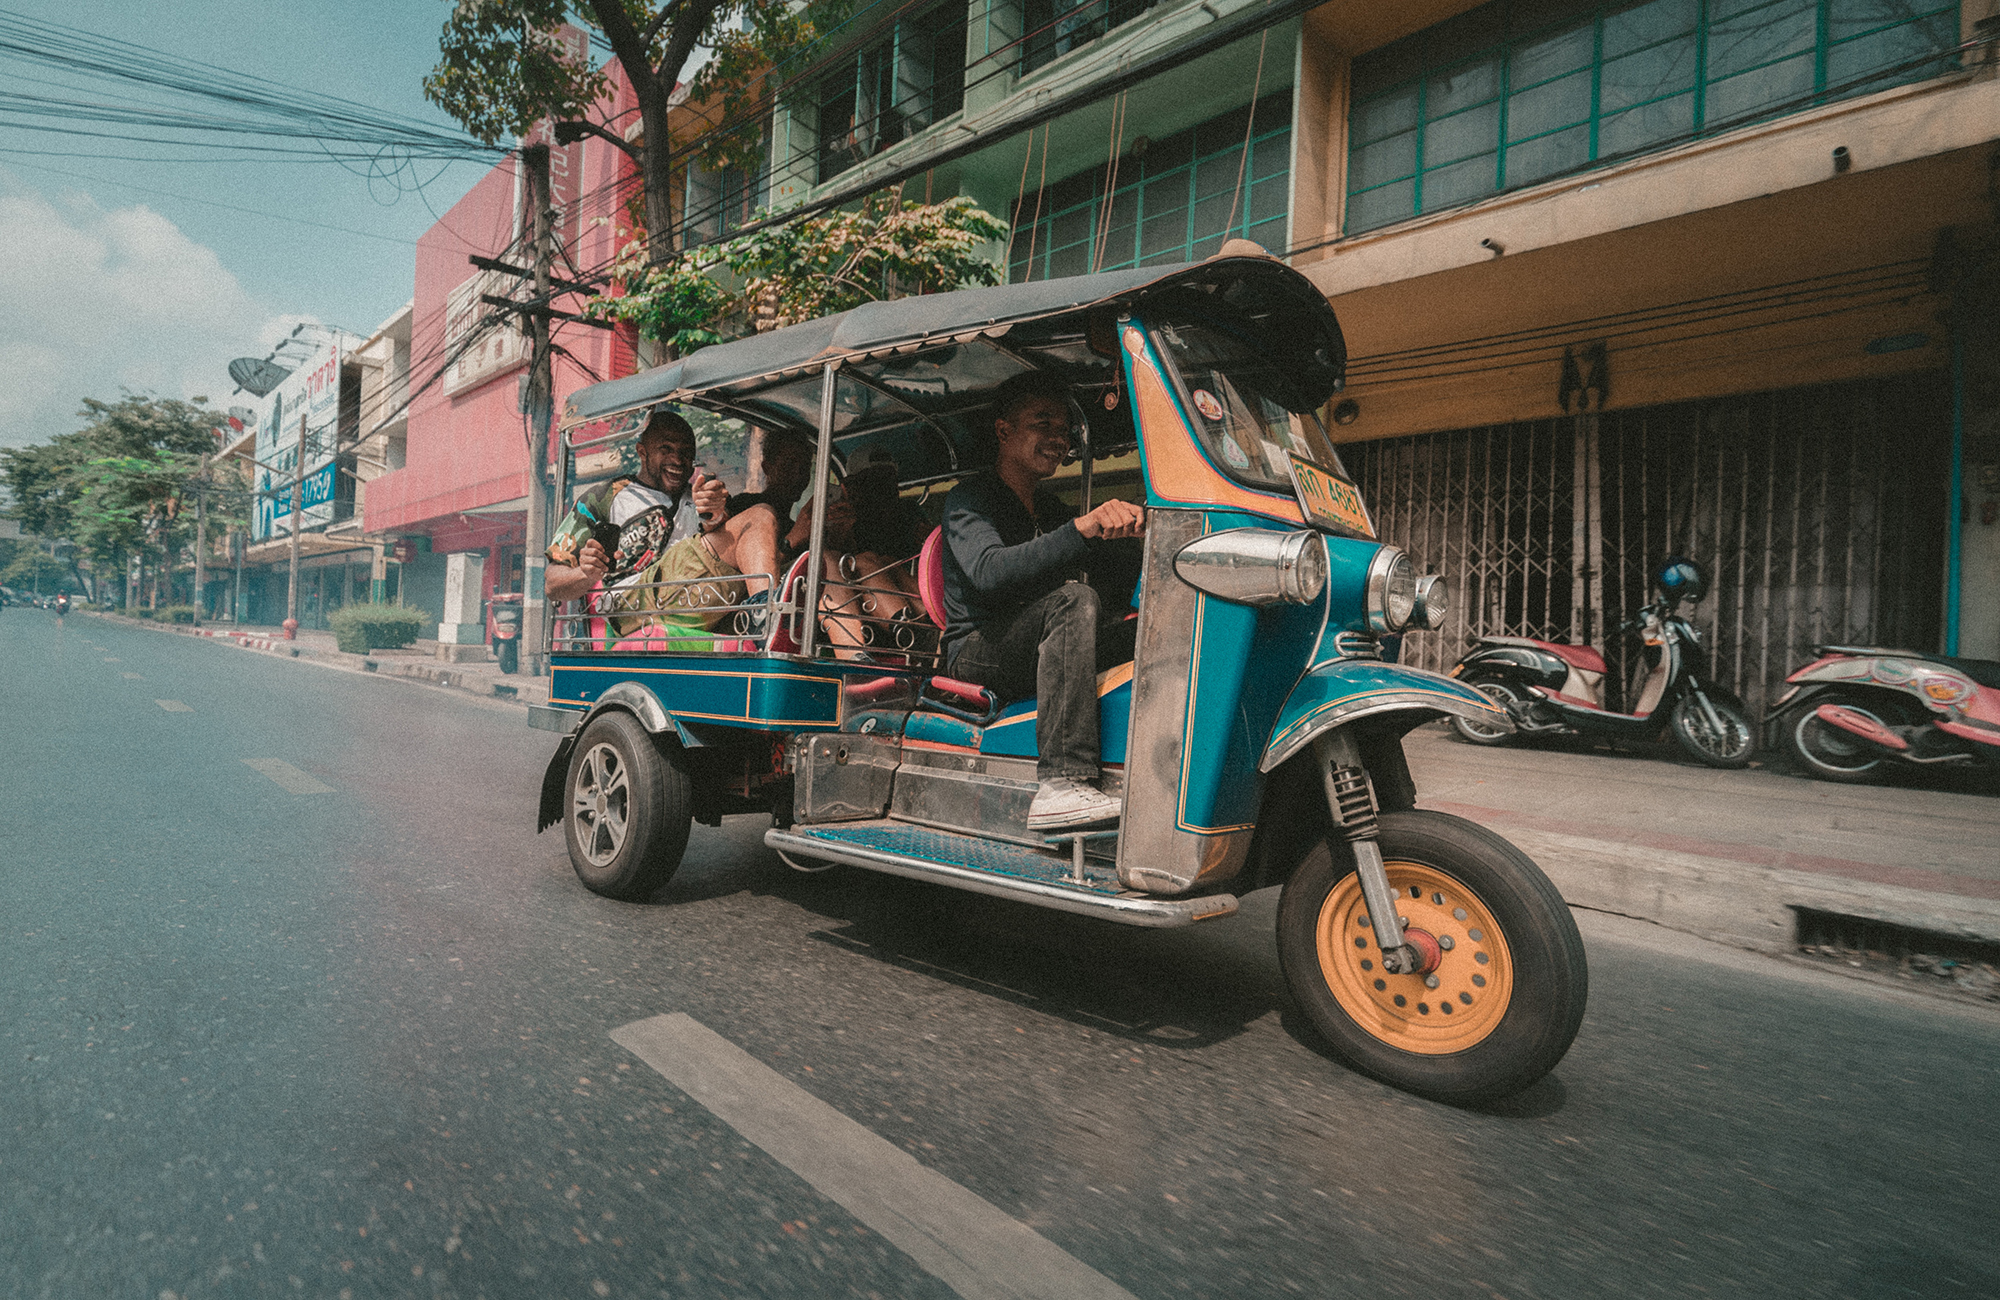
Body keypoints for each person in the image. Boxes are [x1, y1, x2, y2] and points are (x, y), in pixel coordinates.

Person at [942, 371, 1146, 830]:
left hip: (1041, 643)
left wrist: (1135, 535)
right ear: (1004, 431)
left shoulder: (1049, 508)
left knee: (1155, 623)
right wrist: (1081, 530)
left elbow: (1109, 574)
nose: (1059, 438)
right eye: (1043, 424)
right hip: (977, 649)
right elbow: (990, 574)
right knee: (1073, 600)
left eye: (1064, 429)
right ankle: (1062, 782)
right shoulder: (969, 499)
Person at [545, 408, 789, 639]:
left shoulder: (700, 497)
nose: (677, 460)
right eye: (666, 449)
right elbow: (551, 583)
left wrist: (716, 515)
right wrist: (585, 573)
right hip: (634, 606)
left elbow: (731, 549)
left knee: (808, 555)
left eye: (685, 452)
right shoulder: (604, 497)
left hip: (697, 596)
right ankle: (769, 620)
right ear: (642, 452)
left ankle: (768, 618)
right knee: (760, 516)